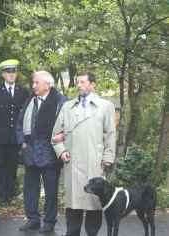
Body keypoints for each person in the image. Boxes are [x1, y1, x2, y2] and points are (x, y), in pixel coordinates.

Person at [52, 72, 116, 236]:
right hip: (72, 163)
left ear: (92, 84)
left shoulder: (105, 106)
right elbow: (55, 136)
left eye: (82, 82)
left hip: (95, 163)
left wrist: (108, 158)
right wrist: (62, 151)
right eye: (77, 82)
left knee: (94, 202)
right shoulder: (67, 107)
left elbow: (110, 134)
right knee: (73, 204)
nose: (78, 85)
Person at [16, 71, 66, 233]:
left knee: (51, 190)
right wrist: (22, 141)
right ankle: (33, 219)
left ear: (48, 84)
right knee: (30, 188)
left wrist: (62, 141)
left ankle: (49, 221)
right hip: (30, 150)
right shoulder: (30, 99)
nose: (33, 86)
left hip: (49, 151)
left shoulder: (60, 101)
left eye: (36, 83)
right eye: (33, 82)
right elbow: (20, 121)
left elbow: (67, 127)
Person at [0, 59, 29, 204]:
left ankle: (10, 194)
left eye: (13, 72)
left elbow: (25, 116)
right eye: (8, 72)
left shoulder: (23, 91)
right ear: (3, 74)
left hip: (15, 137)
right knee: (0, 166)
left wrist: (24, 136)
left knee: (12, 166)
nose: (11, 75)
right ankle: (0, 195)